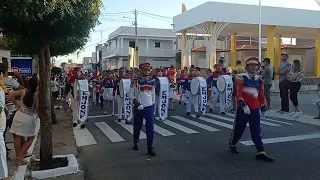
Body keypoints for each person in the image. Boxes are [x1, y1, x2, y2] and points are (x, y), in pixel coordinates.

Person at [228, 57, 274, 162]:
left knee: (256, 130)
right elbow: (239, 93)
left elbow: (261, 95)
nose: (254, 67)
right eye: (251, 65)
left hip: (254, 108)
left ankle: (260, 151)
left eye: (256, 65)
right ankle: (233, 143)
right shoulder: (241, 77)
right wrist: (243, 105)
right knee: (239, 129)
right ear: (247, 66)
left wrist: (263, 107)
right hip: (243, 108)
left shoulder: (259, 80)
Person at [9, 78, 39, 165]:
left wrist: (16, 105)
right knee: (31, 138)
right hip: (29, 118)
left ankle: (18, 158)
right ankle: (20, 157)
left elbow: (10, 94)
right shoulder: (37, 94)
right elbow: (37, 108)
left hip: (18, 115)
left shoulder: (23, 91)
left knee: (17, 137)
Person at [133, 63, 156, 156]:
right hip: (139, 106)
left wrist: (153, 105)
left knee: (150, 127)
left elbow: (153, 94)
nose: (147, 72)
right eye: (144, 70)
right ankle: (136, 142)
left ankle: (150, 147)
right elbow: (131, 93)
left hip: (149, 106)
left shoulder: (152, 81)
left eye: (148, 70)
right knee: (137, 126)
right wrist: (136, 103)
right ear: (140, 70)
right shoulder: (136, 80)